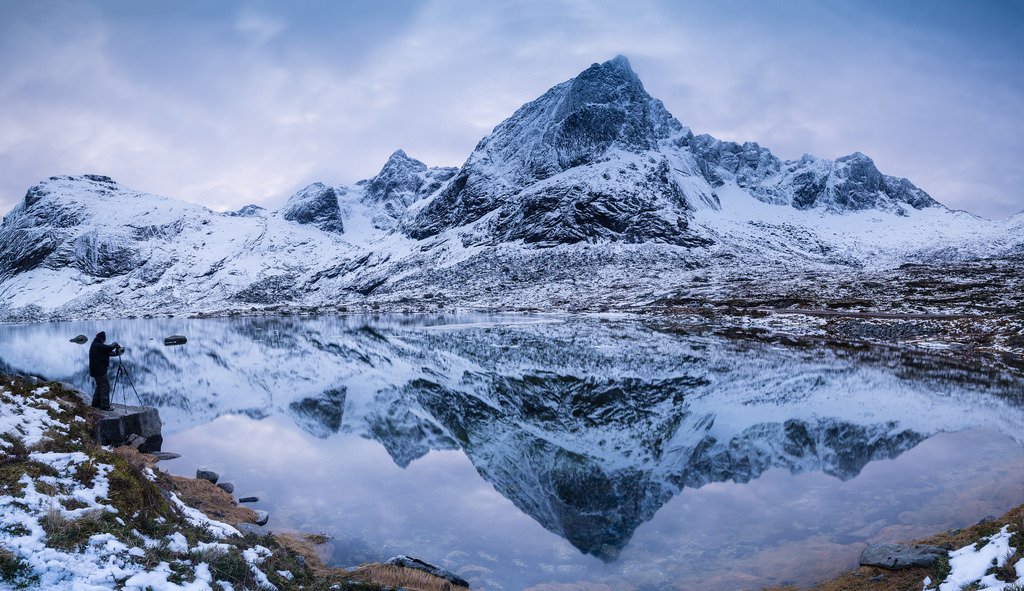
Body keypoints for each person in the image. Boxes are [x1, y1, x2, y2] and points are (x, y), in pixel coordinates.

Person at [89, 331, 122, 410]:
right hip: (100, 371)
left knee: (100, 386)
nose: (104, 341)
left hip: (94, 370)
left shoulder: (95, 345)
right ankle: (105, 406)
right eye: (104, 339)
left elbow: (108, 352)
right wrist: (116, 344)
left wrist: (118, 353)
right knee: (105, 386)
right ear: (102, 339)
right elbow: (109, 348)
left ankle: (96, 403)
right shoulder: (98, 345)